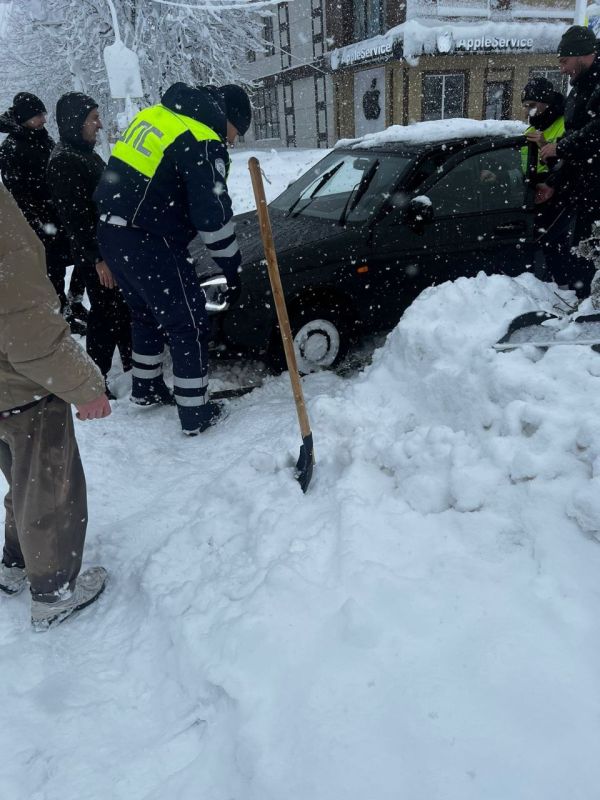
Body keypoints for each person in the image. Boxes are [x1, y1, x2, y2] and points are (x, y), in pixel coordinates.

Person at [94, 82, 251, 436]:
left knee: (145, 314)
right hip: (148, 239)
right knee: (189, 325)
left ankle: (146, 388)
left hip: (110, 231)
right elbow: (212, 218)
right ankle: (196, 413)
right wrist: (232, 268)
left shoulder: (158, 115)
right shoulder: (202, 138)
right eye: (237, 132)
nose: (233, 141)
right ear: (229, 118)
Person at [0, 183, 109, 630]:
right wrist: (86, 387)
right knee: (49, 487)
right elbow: (28, 329)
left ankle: (16, 562)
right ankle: (53, 590)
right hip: (21, 389)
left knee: (21, 478)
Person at [47, 92, 132, 398]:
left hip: (108, 248)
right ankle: (95, 381)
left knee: (118, 310)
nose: (99, 124)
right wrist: (98, 259)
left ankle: (131, 364)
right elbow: (76, 220)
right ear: (76, 122)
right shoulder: (65, 161)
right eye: (93, 118)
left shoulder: (83, 153)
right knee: (105, 316)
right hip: (97, 254)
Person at [0, 92, 87, 333]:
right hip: (41, 222)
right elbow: (17, 194)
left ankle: (75, 301)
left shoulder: (41, 136)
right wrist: (40, 221)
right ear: (25, 117)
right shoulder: (10, 149)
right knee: (53, 270)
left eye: (43, 114)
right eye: (38, 115)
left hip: (62, 212)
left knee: (84, 256)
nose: (44, 119)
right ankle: (62, 313)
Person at [537, 25, 600, 297]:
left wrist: (560, 147)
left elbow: (595, 133)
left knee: (589, 258)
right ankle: (582, 303)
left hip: (595, 193)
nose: (562, 69)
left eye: (564, 61)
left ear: (583, 55)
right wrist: (553, 182)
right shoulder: (580, 88)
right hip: (584, 191)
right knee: (579, 255)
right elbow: (575, 139)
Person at [520, 77, 568, 284]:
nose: (528, 111)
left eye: (532, 105)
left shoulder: (565, 125)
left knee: (556, 249)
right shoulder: (530, 130)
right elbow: (523, 167)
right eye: (525, 106)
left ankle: (563, 288)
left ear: (546, 103)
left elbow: (569, 166)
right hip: (534, 198)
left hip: (558, 200)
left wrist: (545, 145)